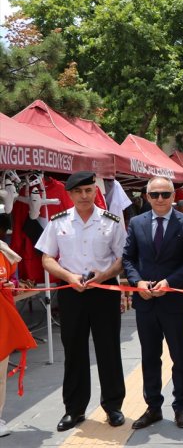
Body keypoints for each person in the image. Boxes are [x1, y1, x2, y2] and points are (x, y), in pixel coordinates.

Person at [35, 171, 127, 432]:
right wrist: (68, 275)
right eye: (78, 192)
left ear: (96, 191)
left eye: (88, 190)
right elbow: (47, 258)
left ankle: (113, 406)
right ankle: (74, 410)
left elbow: (122, 257)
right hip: (71, 291)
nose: (84, 196)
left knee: (108, 349)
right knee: (74, 351)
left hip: (104, 289)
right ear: (70, 194)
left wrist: (106, 274)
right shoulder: (58, 221)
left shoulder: (111, 221)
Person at [123, 176, 183, 430]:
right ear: (146, 197)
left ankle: (181, 407)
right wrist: (138, 283)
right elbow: (128, 259)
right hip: (146, 302)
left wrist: (169, 281)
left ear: (173, 196)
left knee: (179, 356)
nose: (159, 199)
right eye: (154, 195)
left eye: (165, 194)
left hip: (175, 301)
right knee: (149, 357)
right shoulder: (136, 222)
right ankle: (153, 406)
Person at [0, 240, 37, 437]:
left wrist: (9, 284)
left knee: (0, 373)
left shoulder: (5, 252)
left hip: (2, 320)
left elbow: (14, 281)